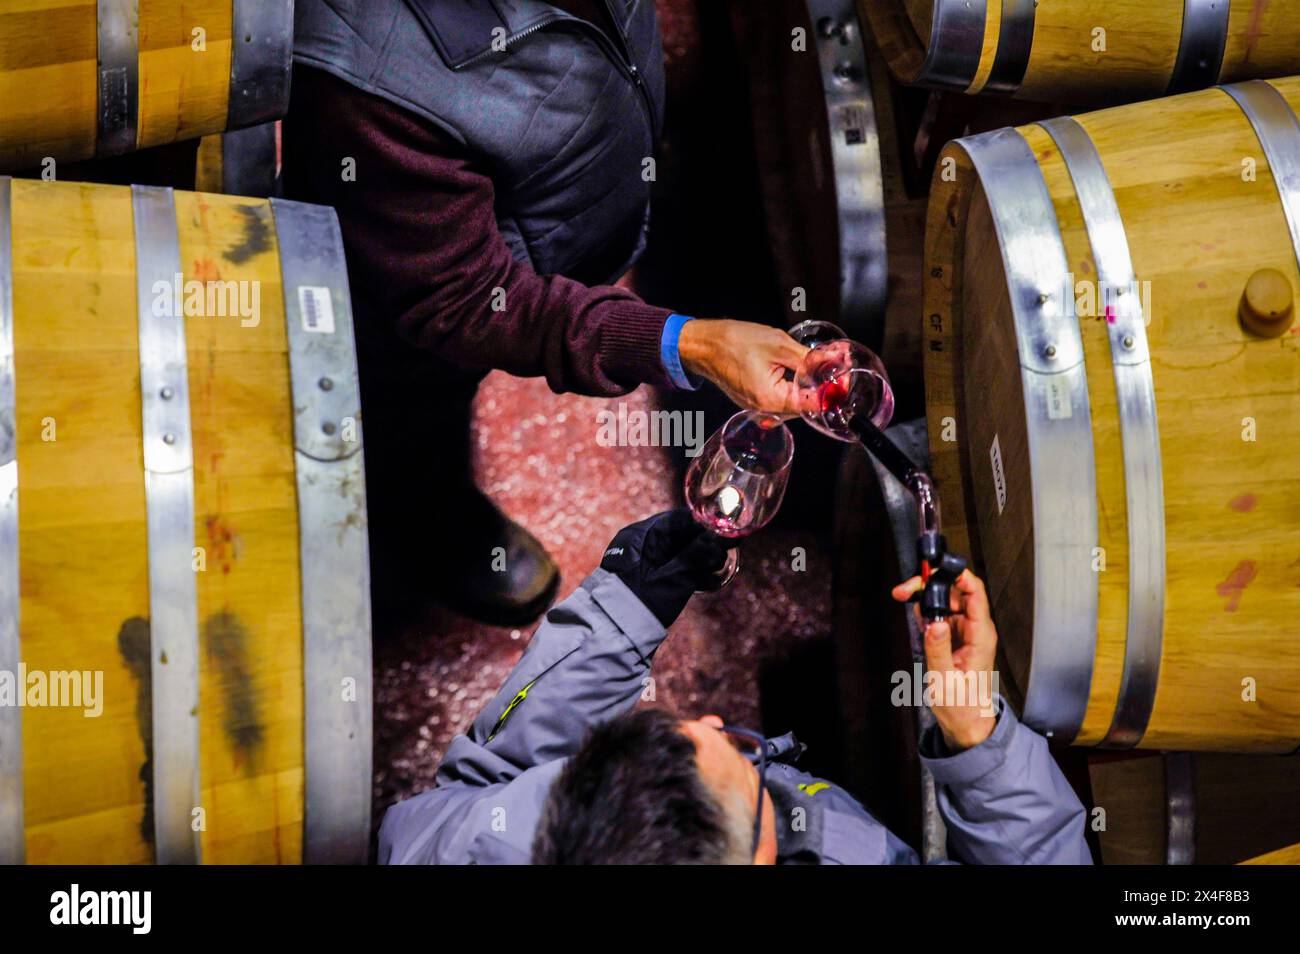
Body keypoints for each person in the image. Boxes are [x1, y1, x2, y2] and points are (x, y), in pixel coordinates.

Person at [283, 0, 809, 624]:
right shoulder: (373, 81)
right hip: (403, 303)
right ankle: (425, 524)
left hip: (545, 228)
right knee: (405, 406)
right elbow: (465, 299)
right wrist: (688, 344)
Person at [377, 509, 1093, 864]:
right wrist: (990, 758)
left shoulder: (476, 842)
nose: (721, 725)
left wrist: (628, 603)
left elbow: (486, 778)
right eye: (753, 788)